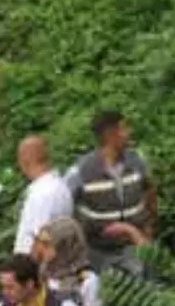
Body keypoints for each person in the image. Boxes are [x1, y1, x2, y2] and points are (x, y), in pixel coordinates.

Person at [65, 111, 157, 277]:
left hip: (134, 247)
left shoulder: (137, 161)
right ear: (111, 135)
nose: (129, 132)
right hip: (97, 252)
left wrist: (148, 231)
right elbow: (65, 207)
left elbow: (150, 192)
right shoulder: (81, 170)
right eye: (124, 128)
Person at [12, 135, 73, 254]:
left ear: (25, 160)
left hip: (37, 267)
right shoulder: (61, 186)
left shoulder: (42, 194)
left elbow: (37, 240)